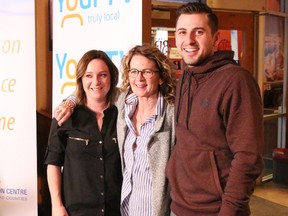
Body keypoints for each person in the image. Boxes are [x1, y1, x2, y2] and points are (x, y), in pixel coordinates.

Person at [53, 44, 176, 216]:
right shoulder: (125, 103)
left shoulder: (172, 115)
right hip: (125, 210)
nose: (139, 78)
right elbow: (91, 87)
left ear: (161, 77)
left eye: (147, 72)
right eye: (134, 71)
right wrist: (71, 101)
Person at [165, 2, 264, 216]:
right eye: (182, 32)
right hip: (179, 207)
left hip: (217, 210)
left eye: (198, 32)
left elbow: (248, 157)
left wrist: (229, 211)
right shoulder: (186, 78)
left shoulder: (236, 81)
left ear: (215, 38)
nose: (189, 40)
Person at [44, 50, 122, 216]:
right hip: (76, 211)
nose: (96, 81)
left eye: (103, 75)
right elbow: (53, 163)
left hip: (117, 210)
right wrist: (57, 205)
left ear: (112, 78)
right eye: (88, 75)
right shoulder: (64, 115)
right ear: (80, 79)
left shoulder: (124, 116)